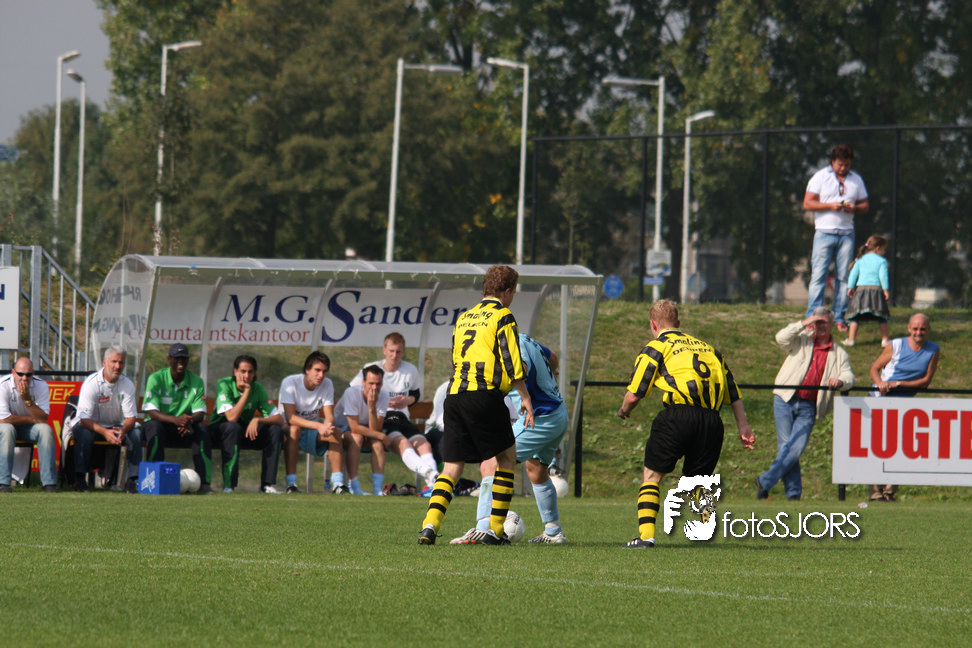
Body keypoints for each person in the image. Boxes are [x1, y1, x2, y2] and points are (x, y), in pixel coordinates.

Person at [617, 299, 755, 548]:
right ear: (678, 323)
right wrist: (743, 426)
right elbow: (733, 392)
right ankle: (704, 531)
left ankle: (646, 537)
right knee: (698, 481)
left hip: (678, 416)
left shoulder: (658, 346)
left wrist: (624, 409)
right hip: (712, 421)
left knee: (652, 476)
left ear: (653, 324)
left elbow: (635, 393)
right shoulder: (710, 350)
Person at [418, 265, 534, 545]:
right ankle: (495, 530)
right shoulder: (502, 316)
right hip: (483, 396)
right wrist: (525, 397)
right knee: (506, 459)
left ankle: (430, 525)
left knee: (451, 467)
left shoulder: (464, 317)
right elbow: (511, 359)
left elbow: (456, 356)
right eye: (514, 292)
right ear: (507, 291)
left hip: (455, 395)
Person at [451, 333, 570, 544]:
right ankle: (553, 532)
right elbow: (552, 356)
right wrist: (550, 371)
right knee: (536, 469)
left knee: (491, 462)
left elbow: (520, 368)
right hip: (556, 414)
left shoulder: (511, 345)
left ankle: (483, 528)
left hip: (538, 418)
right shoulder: (523, 338)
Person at [755, 308, 854, 501]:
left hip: (809, 405)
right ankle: (793, 494)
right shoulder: (802, 339)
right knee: (786, 447)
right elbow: (781, 338)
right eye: (817, 322)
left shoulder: (839, 353)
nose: (821, 326)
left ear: (832, 324)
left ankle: (765, 481)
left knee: (795, 447)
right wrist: (802, 323)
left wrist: (840, 381)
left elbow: (849, 375)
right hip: (785, 398)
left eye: (824, 322)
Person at [349, 332, 438, 494]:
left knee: (424, 444)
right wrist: (380, 400)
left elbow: (416, 394)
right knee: (403, 443)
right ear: (384, 350)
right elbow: (354, 390)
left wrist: (407, 400)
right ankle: (433, 476)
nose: (394, 355)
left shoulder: (410, 370)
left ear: (403, 352)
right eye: (391, 351)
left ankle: (433, 487)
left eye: (398, 351)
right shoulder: (372, 369)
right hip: (382, 419)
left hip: (402, 418)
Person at [867, 313, 940, 502]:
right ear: (909, 328)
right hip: (881, 400)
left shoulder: (933, 349)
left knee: (899, 448)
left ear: (928, 330)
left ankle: (890, 491)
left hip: (905, 405)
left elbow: (926, 381)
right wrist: (881, 383)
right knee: (878, 447)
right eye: (915, 328)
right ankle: (875, 491)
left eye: (922, 329)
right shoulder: (896, 345)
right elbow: (874, 368)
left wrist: (899, 384)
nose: (918, 332)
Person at [803, 144, 870, 331]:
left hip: (847, 233)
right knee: (819, 275)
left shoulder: (856, 179)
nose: (843, 168)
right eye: (840, 164)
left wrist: (854, 208)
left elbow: (865, 205)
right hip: (824, 232)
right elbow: (807, 203)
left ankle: (839, 316)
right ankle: (813, 317)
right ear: (832, 161)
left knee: (844, 277)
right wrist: (829, 206)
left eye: (847, 164)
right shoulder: (820, 177)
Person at [64, 345, 143, 493]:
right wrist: (106, 432)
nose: (117, 366)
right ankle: (80, 479)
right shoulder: (91, 383)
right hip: (89, 425)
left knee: (136, 434)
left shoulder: (127, 384)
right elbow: (84, 420)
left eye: (121, 362)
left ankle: (132, 481)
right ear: (104, 362)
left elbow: (131, 418)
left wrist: (123, 430)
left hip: (114, 426)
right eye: (114, 361)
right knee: (84, 433)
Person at [142, 343, 214, 494]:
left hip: (184, 427)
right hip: (161, 425)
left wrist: (188, 421)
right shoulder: (156, 378)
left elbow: (200, 413)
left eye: (184, 358)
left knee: (202, 429)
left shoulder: (196, 381)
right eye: (177, 358)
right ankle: (153, 480)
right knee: (154, 427)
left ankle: (204, 483)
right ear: (169, 359)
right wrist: (175, 420)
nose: (180, 361)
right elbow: (151, 411)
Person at [209, 355, 285, 494]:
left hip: (242, 430)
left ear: (255, 373)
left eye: (250, 372)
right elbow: (231, 418)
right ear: (235, 371)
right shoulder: (224, 384)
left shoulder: (258, 388)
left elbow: (279, 419)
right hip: (220, 431)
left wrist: (258, 420)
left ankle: (266, 485)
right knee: (233, 427)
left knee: (275, 430)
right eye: (243, 371)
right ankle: (228, 486)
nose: (246, 376)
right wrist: (247, 391)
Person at [280, 351, 345, 494]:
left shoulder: (327, 384)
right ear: (307, 370)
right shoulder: (290, 382)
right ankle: (291, 484)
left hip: (312, 430)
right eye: (317, 370)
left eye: (324, 371)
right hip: (288, 429)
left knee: (336, 432)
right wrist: (319, 425)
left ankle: (338, 484)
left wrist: (328, 425)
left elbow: (329, 415)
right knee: (294, 429)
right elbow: (291, 418)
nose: (321, 375)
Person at [0, 357, 58, 493]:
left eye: (28, 374)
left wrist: (27, 399)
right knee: (8, 429)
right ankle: (3, 484)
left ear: (33, 373)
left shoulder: (41, 385)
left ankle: (49, 484)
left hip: (26, 428)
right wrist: (32, 419)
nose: (24, 378)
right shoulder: (3, 385)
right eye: (20, 374)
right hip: (6, 426)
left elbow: (43, 419)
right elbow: (4, 419)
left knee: (46, 431)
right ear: (13, 372)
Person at [336, 365, 390, 495]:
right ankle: (354, 486)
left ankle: (378, 489)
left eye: (378, 384)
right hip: (341, 429)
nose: (374, 388)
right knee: (357, 438)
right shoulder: (351, 393)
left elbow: (375, 429)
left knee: (377, 444)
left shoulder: (383, 395)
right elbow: (354, 427)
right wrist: (382, 436)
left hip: (365, 429)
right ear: (363, 382)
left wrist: (372, 407)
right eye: (371, 383)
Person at [845, 235, 890, 347]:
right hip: (876, 291)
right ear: (877, 248)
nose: (884, 252)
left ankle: (851, 340)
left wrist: (850, 287)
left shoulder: (860, 259)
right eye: (883, 249)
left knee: (855, 316)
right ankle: (885, 340)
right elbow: (883, 276)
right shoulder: (882, 261)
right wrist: (885, 290)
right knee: (881, 316)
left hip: (861, 291)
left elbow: (853, 274)